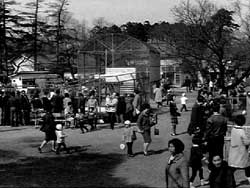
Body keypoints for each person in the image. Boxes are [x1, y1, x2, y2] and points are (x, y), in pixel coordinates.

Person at [203, 104, 227, 168]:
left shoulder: (210, 119)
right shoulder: (223, 119)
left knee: (212, 153)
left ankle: (211, 166)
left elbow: (208, 130)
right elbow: (225, 129)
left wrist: (205, 138)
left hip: (212, 138)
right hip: (220, 137)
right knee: (220, 151)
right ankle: (220, 165)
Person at [228, 114, 250, 184]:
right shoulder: (242, 131)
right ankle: (249, 179)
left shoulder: (233, 129)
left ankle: (231, 182)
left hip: (233, 151)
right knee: (247, 167)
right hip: (241, 152)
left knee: (232, 168)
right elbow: (246, 142)